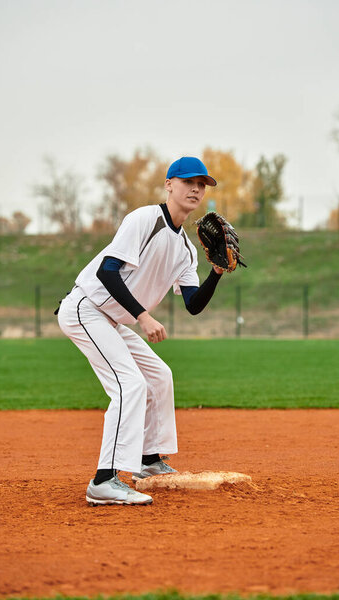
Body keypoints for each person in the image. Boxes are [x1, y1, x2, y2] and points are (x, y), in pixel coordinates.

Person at [57, 156, 225, 506]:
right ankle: (104, 479)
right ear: (169, 184)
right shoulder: (144, 219)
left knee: (159, 376)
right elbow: (107, 272)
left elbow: (192, 304)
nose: (196, 188)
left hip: (112, 320)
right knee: (129, 384)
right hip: (86, 308)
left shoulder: (186, 250)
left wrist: (217, 273)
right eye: (188, 182)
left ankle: (149, 461)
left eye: (202, 184)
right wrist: (143, 316)